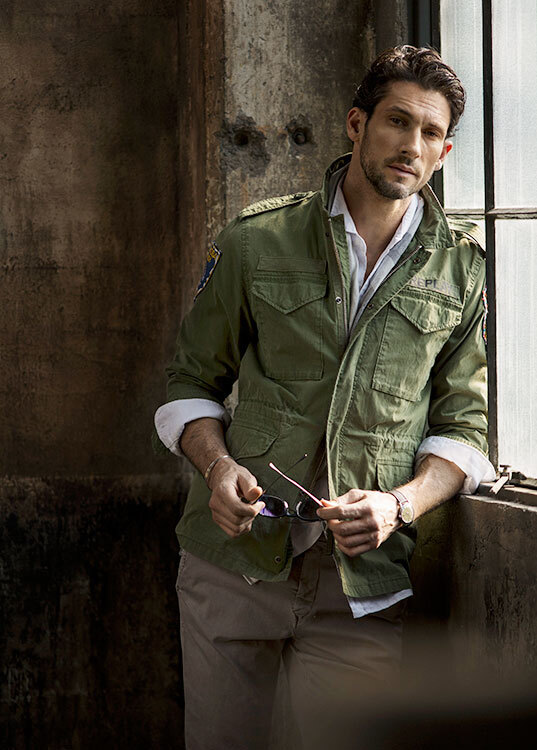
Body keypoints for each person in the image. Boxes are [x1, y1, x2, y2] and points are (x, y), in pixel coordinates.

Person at [154, 45, 495, 750]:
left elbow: (464, 429)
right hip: (234, 562)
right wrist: (217, 468)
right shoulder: (256, 241)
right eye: (396, 121)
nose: (411, 145)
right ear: (356, 123)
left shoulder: (460, 269)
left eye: (430, 132)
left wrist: (398, 505)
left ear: (444, 151)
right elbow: (190, 383)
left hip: (362, 584)